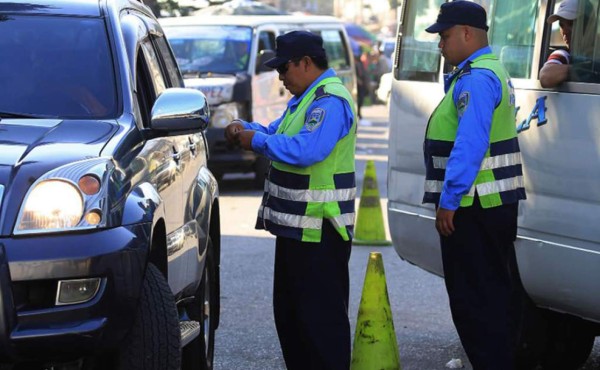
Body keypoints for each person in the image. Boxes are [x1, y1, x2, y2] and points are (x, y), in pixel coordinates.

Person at [224, 30, 357, 370]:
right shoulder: (306, 100)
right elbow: (276, 133)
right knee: (293, 319)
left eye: (284, 69)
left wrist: (255, 141)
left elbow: (307, 150)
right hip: (298, 230)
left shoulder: (329, 101)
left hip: (319, 231)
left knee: (320, 325)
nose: (281, 78)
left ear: (306, 63)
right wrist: (244, 127)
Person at [423, 2, 527, 369]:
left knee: (476, 302)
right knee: (493, 297)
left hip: (474, 207)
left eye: (445, 36)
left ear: (467, 33)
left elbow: (470, 144)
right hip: (488, 204)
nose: (440, 46)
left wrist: (449, 201)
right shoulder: (485, 71)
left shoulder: (477, 79)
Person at [539, 0, 578, 87]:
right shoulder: (564, 55)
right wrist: (582, 70)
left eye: (571, 24)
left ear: (589, 25)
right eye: (561, 25)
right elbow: (546, 76)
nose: (565, 31)